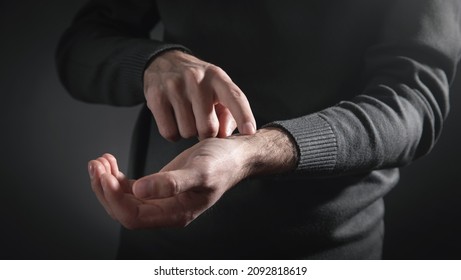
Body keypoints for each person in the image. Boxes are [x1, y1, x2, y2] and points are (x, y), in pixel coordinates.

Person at [56, 0, 461, 259]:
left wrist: (258, 151)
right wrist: (152, 63)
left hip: (325, 253)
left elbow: (414, 102)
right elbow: (79, 47)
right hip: (161, 245)